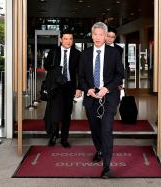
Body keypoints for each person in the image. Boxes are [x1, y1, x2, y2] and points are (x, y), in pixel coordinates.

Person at [78, 22, 124, 178]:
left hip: (109, 96)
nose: (97, 37)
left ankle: (107, 167)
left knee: (106, 130)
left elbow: (120, 75)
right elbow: (81, 77)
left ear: (105, 36)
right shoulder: (85, 54)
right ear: (92, 36)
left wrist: (107, 88)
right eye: (95, 34)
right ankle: (99, 149)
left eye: (100, 34)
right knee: (95, 128)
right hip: (91, 97)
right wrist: (88, 89)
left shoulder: (114, 53)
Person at [44, 30, 82, 148]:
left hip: (69, 86)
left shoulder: (77, 53)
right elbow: (46, 66)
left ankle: (64, 138)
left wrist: (79, 88)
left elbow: (80, 72)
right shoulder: (54, 51)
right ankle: (53, 136)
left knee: (66, 113)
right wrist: (55, 69)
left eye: (70, 39)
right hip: (56, 86)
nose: (68, 41)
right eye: (65, 39)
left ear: (72, 40)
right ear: (61, 40)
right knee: (55, 112)